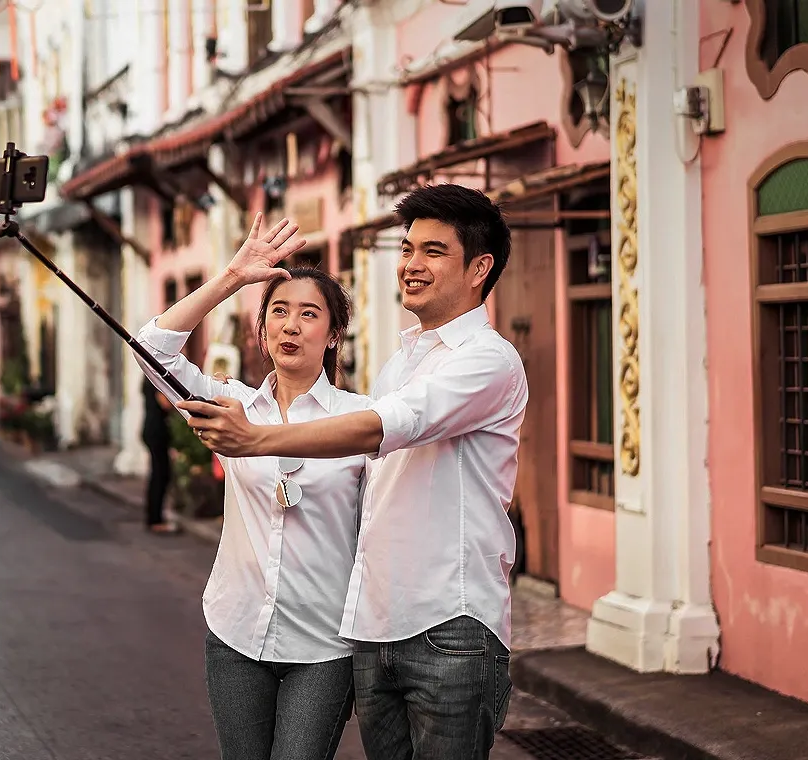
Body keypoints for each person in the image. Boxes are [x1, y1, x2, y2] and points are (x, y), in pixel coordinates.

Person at [179, 185, 528, 760]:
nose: (412, 265)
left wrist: (256, 440)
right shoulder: (401, 363)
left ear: (479, 268)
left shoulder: (489, 359)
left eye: (434, 252)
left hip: (450, 624)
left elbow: (391, 424)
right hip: (375, 628)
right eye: (408, 249)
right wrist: (233, 279)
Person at [135, 214, 367, 760]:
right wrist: (233, 279)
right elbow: (152, 350)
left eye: (309, 315)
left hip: (324, 646)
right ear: (262, 332)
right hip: (236, 632)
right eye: (279, 313)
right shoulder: (233, 406)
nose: (291, 326)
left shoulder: (364, 420)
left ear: (333, 335)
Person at [141, 376, 180, 533]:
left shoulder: (148, 378)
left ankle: (155, 517)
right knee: (160, 474)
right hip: (156, 430)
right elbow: (165, 402)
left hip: (152, 429)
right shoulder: (155, 378)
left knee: (158, 473)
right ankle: (155, 519)